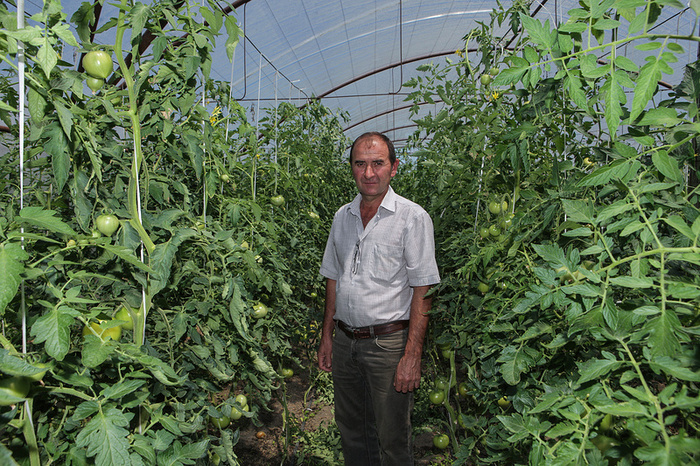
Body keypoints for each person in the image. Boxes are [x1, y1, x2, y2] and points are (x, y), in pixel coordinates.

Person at [317, 132, 440, 465]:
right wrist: (327, 335)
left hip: (388, 345)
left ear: (394, 167)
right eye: (360, 164)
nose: (369, 173)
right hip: (345, 342)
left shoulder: (411, 217)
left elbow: (424, 288)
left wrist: (412, 354)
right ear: (351, 168)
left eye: (378, 163)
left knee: (392, 438)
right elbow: (333, 277)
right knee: (352, 432)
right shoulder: (342, 217)